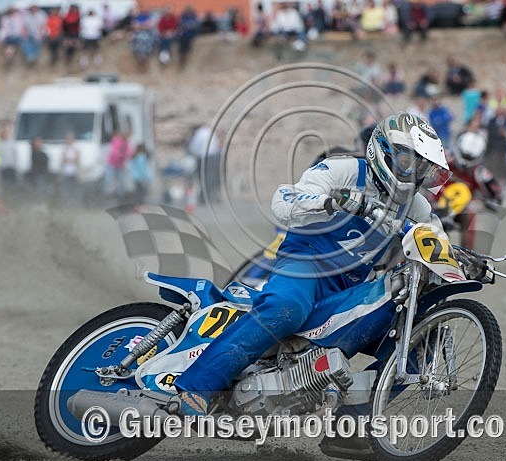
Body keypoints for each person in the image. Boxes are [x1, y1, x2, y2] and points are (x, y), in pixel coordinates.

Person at [170, 112, 449, 417]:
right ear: (382, 149)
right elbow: (284, 200)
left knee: (424, 337)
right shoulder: (345, 170)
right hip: (306, 263)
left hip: (349, 289)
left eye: (422, 168)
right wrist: (331, 202)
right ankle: (199, 386)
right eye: (408, 162)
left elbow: (435, 243)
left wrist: (463, 260)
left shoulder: (418, 207)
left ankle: (353, 423)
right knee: (286, 308)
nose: (413, 173)